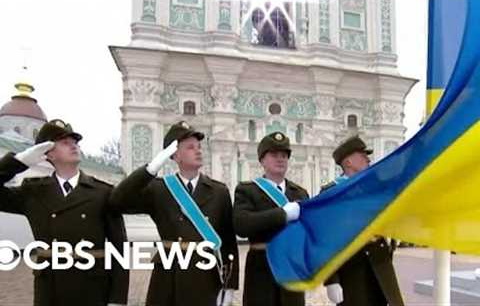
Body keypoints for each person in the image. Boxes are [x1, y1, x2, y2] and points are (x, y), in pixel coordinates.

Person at [0, 119, 129, 306]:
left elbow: (119, 248)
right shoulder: (33, 192)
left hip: (92, 287)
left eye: (74, 142)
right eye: (64, 142)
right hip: (50, 287)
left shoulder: (102, 192)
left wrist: (117, 299)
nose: (73, 146)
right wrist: (19, 161)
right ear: (47, 153)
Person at [109, 121, 239, 306]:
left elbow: (228, 241)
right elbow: (117, 201)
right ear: (175, 155)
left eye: (199, 147)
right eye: (190, 147)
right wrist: (151, 169)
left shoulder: (219, 191)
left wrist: (229, 286)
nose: (198, 151)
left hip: (206, 275)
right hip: (168, 276)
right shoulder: (159, 189)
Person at [323, 135, 404, 306]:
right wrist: (331, 279)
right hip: (351, 269)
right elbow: (325, 239)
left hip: (380, 263)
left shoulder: (375, 188)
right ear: (348, 162)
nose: (368, 159)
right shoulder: (331, 192)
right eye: (362, 155)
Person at [233, 131, 308, 306]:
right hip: (261, 268)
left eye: (284, 155)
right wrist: (282, 215)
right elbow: (242, 225)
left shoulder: (299, 193)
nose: (280, 159)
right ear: (262, 160)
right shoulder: (248, 190)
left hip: (291, 268)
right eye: (274, 155)